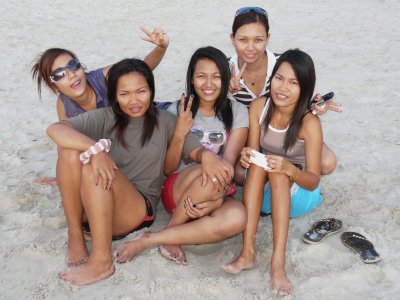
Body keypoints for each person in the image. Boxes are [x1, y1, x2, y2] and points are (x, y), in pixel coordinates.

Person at [46, 58, 228, 286]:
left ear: (151, 90)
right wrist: (95, 149)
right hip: (92, 206)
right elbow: (55, 129)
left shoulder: (166, 121)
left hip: (134, 209)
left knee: (95, 167)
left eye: (141, 91)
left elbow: (196, 151)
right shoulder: (106, 116)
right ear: (114, 95)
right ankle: (76, 234)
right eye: (124, 94)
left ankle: (102, 261)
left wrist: (208, 156)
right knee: (70, 150)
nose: (133, 101)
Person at [113, 46, 247, 266]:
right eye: (201, 76)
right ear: (192, 79)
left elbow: (229, 165)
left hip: (218, 189)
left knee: (237, 219)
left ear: (225, 79)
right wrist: (179, 132)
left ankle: (155, 238)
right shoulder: (177, 110)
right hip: (179, 188)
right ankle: (174, 230)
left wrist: (217, 200)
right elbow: (168, 168)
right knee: (210, 173)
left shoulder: (238, 112)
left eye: (216, 77)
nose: (209, 84)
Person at [222, 49, 324, 296]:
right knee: (261, 163)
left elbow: (312, 180)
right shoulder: (259, 106)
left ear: (305, 88)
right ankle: (248, 251)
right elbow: (253, 151)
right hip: (263, 197)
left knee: (278, 171)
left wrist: (290, 169)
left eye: (293, 83)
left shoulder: (309, 122)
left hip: (300, 195)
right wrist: (247, 155)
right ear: (272, 78)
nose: (283, 88)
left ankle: (278, 263)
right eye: (279, 78)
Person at [32, 27, 169, 185]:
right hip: (120, 145)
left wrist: (161, 47)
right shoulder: (64, 104)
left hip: (150, 124)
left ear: (81, 67)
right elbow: (67, 140)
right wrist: (65, 173)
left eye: (73, 65)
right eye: (59, 74)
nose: (71, 75)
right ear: (54, 86)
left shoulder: (104, 78)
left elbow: (142, 69)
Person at [227, 7, 340, 183]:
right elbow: (205, 103)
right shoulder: (223, 70)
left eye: (258, 40)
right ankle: (276, 172)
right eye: (243, 40)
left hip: (280, 131)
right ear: (232, 39)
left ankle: (288, 170)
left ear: (268, 39)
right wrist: (223, 91)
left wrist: (314, 107)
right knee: (239, 175)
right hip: (246, 133)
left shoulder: (283, 64)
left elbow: (295, 95)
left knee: (327, 163)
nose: (250, 48)